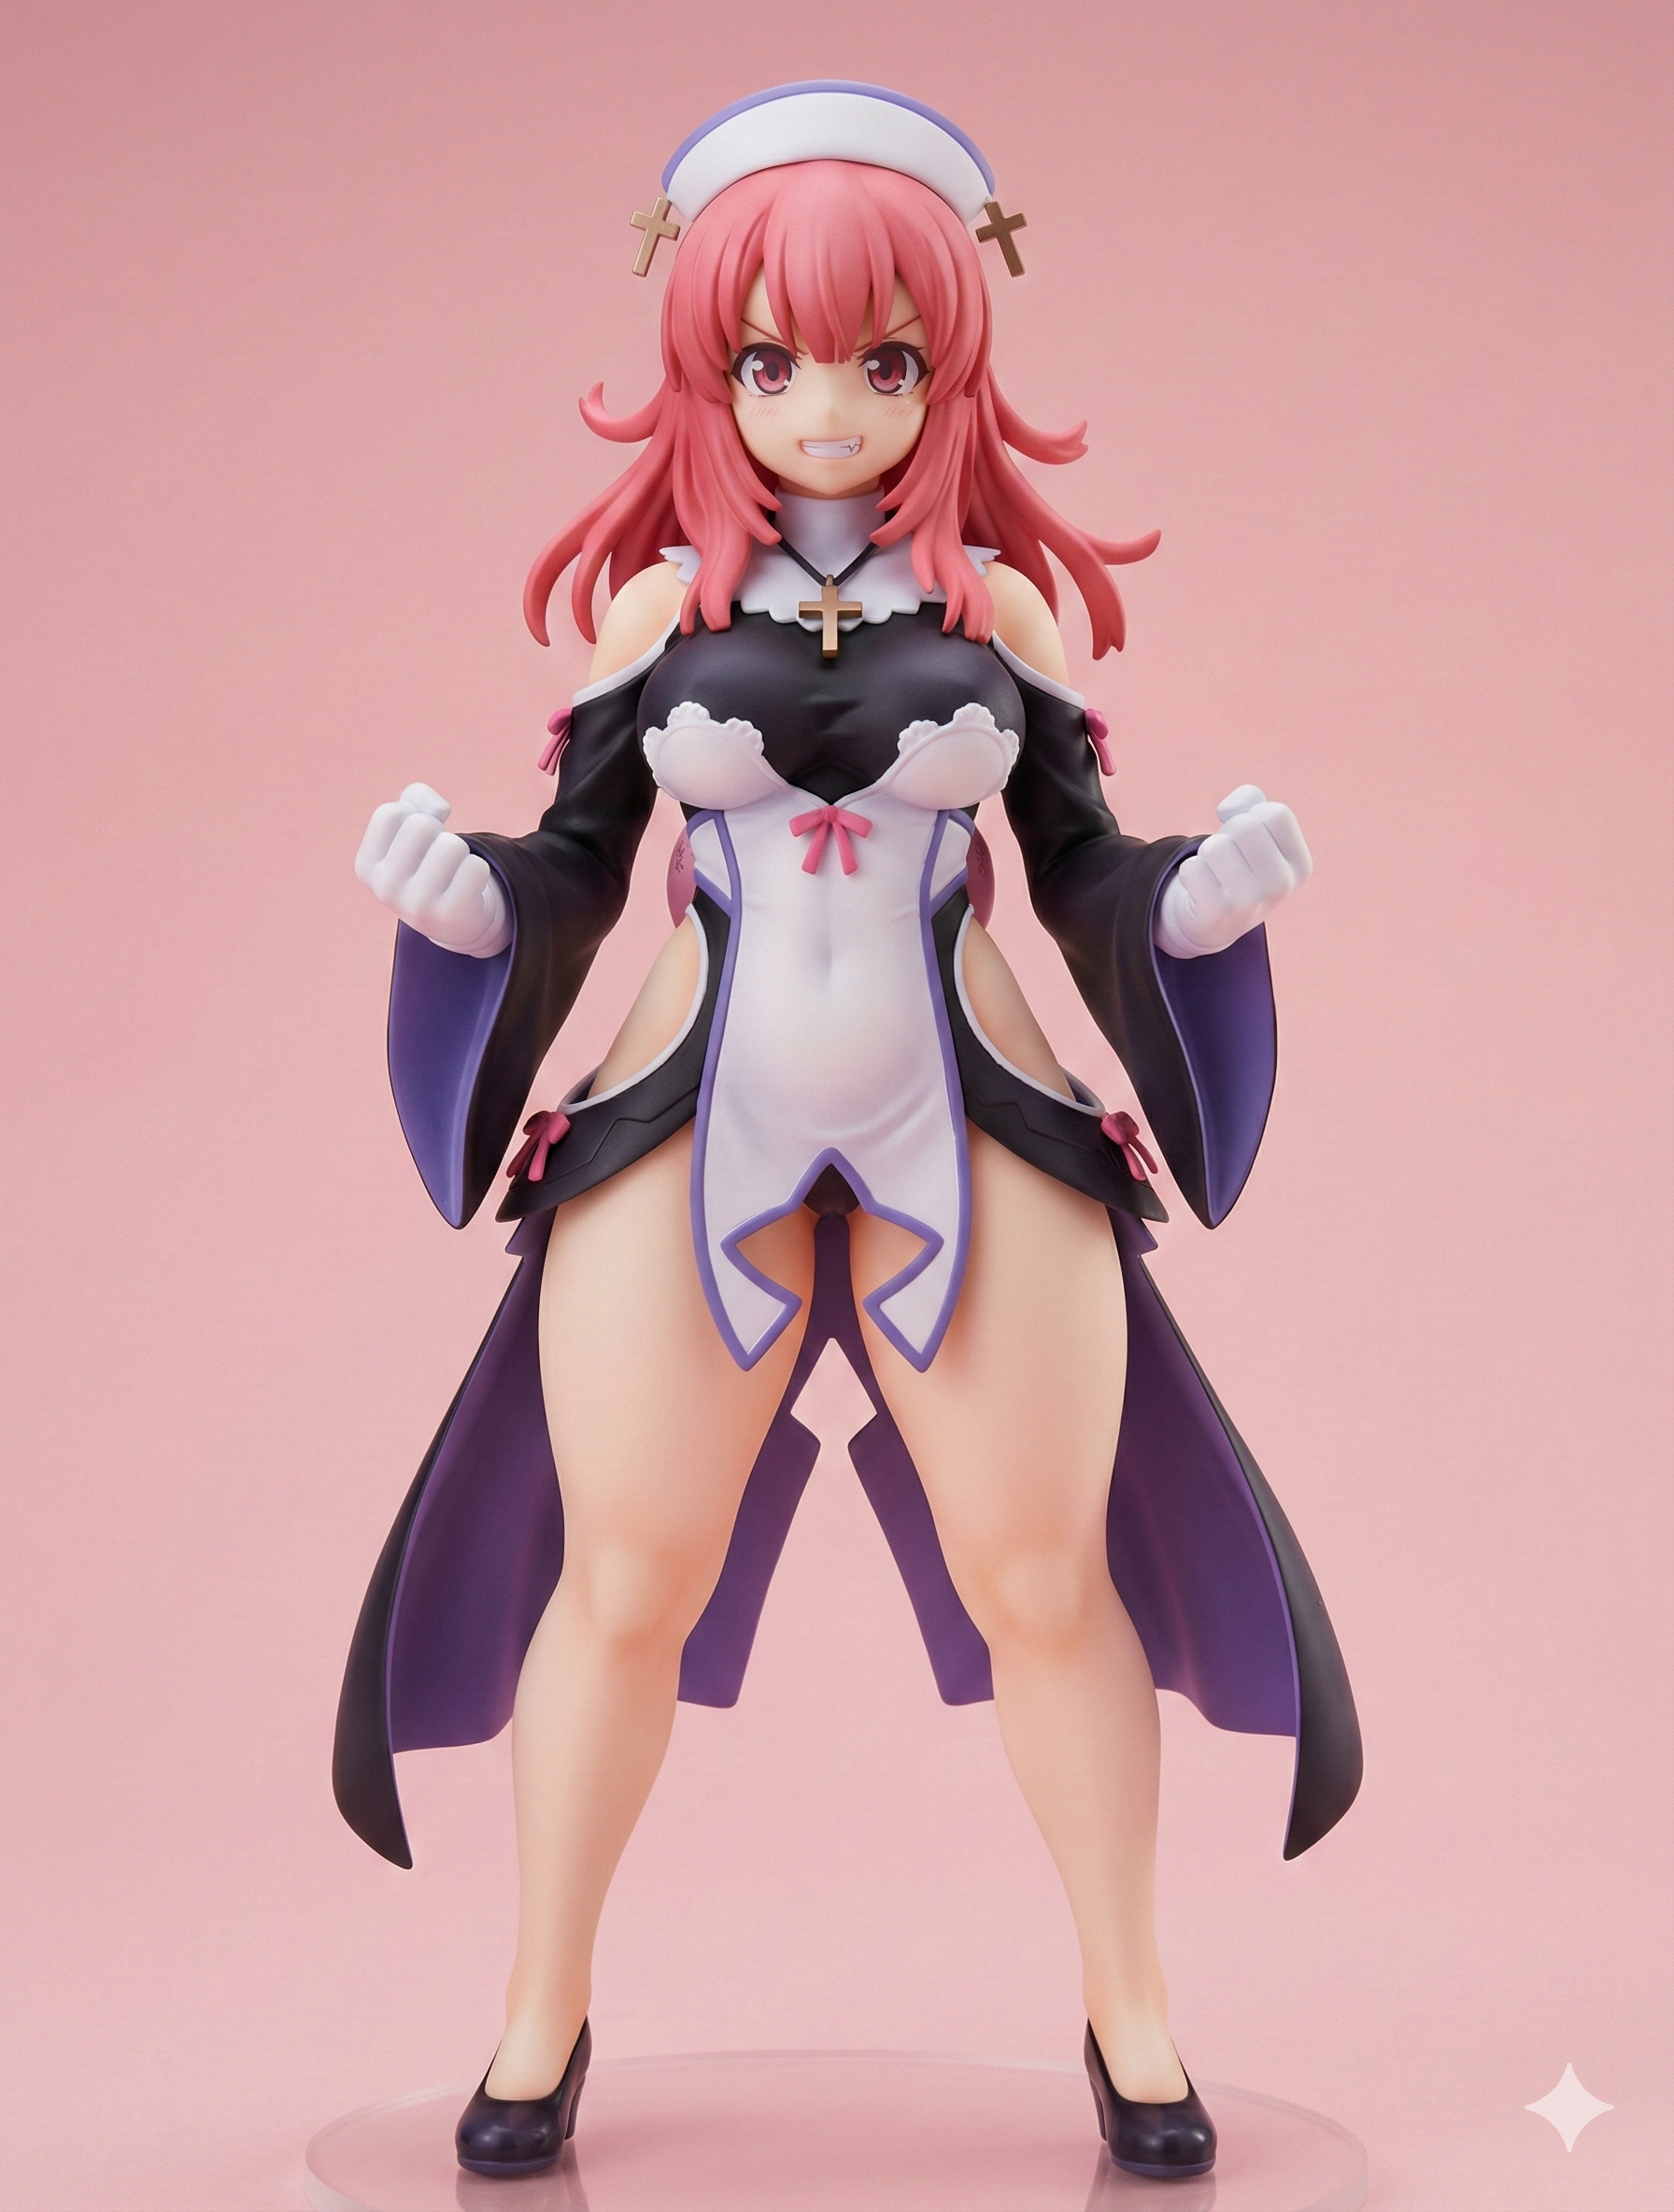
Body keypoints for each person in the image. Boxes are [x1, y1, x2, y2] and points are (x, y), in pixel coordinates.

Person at [334, 83, 1361, 2184]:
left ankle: (1132, 2009)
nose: (825, 409)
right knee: (623, 1571)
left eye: (883, 363)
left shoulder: (1000, 617)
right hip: (686, 1111)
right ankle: (538, 2010)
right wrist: (471, 911)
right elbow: (576, 865)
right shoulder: (653, 619)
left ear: (945, 366)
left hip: (965, 1107)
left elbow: (1079, 865)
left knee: (1044, 1573)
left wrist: (1188, 907)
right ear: (707, 367)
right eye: (772, 362)